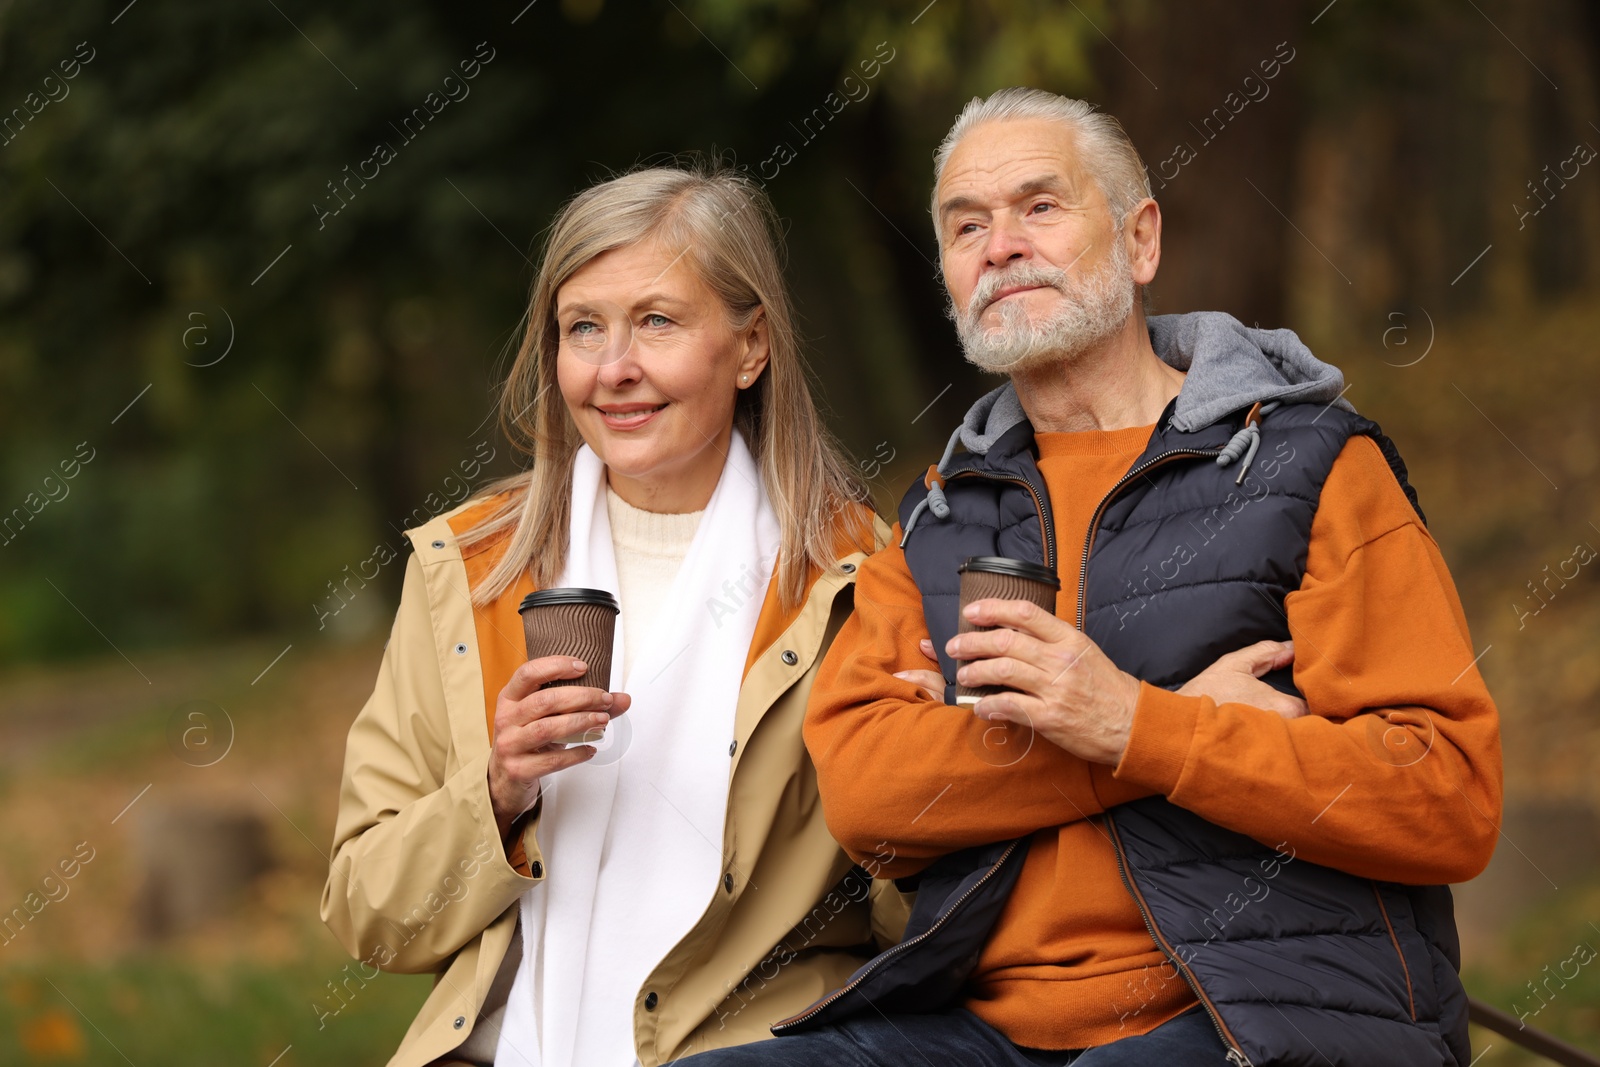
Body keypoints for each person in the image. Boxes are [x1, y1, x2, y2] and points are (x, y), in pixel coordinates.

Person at [682, 89, 1502, 1067]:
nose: (999, 244)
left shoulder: (1308, 465)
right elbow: (870, 796)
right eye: (965, 225)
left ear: (1138, 238)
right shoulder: (940, 519)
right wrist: (1136, 733)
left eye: (1039, 206)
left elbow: (1446, 795)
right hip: (982, 1027)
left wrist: (1126, 721)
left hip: (1262, 1016)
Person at [319, 162, 913, 1067]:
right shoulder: (469, 570)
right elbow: (367, 911)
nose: (615, 370)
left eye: (658, 322)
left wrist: (948, 750)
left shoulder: (856, 580)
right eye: (582, 329)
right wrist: (497, 789)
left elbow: (912, 922)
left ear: (751, 347)